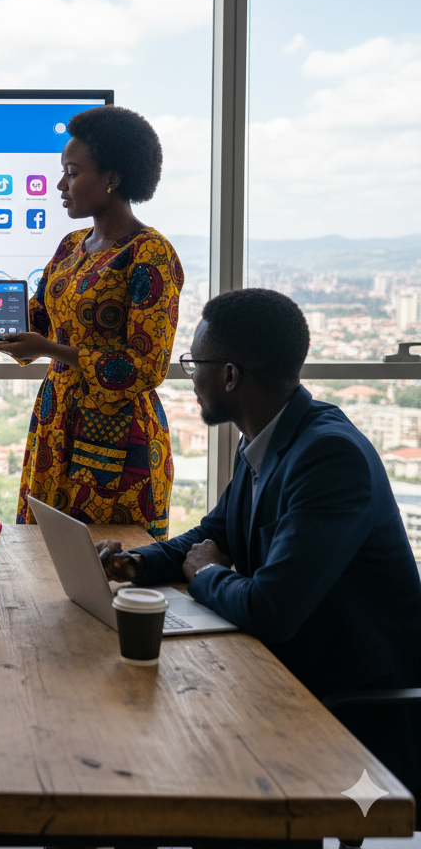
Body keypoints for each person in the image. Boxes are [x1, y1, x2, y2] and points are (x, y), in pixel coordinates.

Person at [99, 289, 421, 793]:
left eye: (194, 364)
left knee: (156, 746)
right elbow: (213, 534)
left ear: (229, 375)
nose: (191, 380)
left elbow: (271, 608)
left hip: (344, 710)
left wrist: (205, 575)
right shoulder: (263, 439)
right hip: (279, 674)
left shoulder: (330, 457)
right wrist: (137, 564)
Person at [0, 105, 182, 540]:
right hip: (57, 424)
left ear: (112, 178)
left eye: (72, 173)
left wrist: (49, 350)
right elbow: (26, 322)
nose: (61, 185)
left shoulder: (150, 254)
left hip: (120, 437)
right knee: (43, 562)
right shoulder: (73, 246)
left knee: (109, 568)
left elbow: (146, 367)